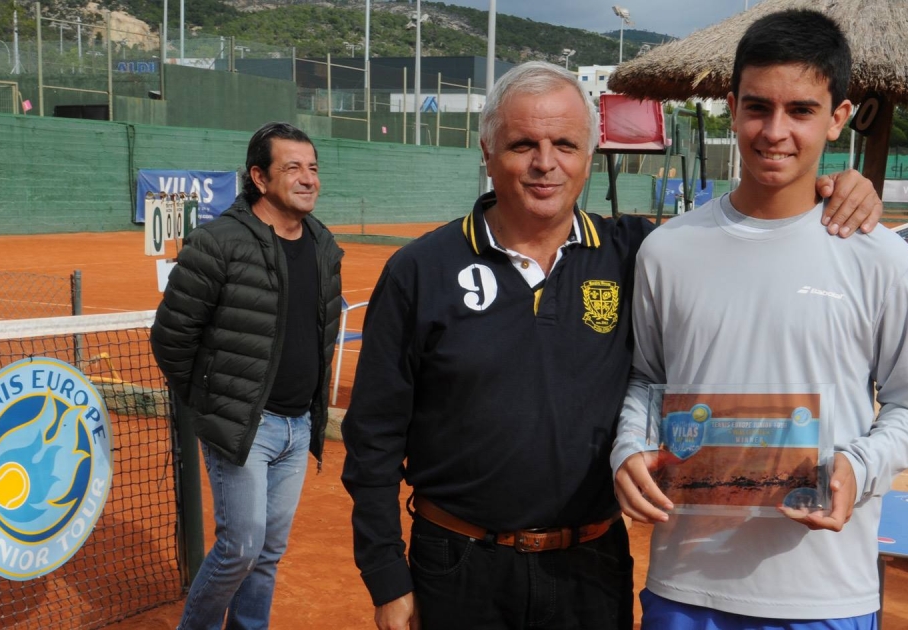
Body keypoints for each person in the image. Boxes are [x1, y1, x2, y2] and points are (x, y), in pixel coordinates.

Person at [341, 59, 885, 630]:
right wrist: (386, 577)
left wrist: (835, 186)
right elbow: (373, 437)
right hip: (458, 566)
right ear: (486, 150)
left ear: (590, 154)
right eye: (522, 143)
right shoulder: (420, 270)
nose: (544, 163)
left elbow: (746, 229)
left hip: (591, 567)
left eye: (565, 145)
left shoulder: (636, 253)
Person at [612, 10, 908, 630]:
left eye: (801, 110)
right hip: (686, 589)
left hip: (827, 593)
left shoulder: (880, 256)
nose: (775, 131)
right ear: (731, 106)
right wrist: (629, 447)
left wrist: (858, 465)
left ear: (838, 117)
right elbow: (645, 380)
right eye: (757, 107)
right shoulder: (667, 249)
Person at [151, 121, 343, 629]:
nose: (308, 179)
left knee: (268, 552)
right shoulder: (217, 242)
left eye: (313, 168)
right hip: (242, 428)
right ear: (259, 177)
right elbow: (171, 338)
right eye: (293, 168)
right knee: (240, 547)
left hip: (298, 425)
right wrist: (211, 402)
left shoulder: (324, 245)